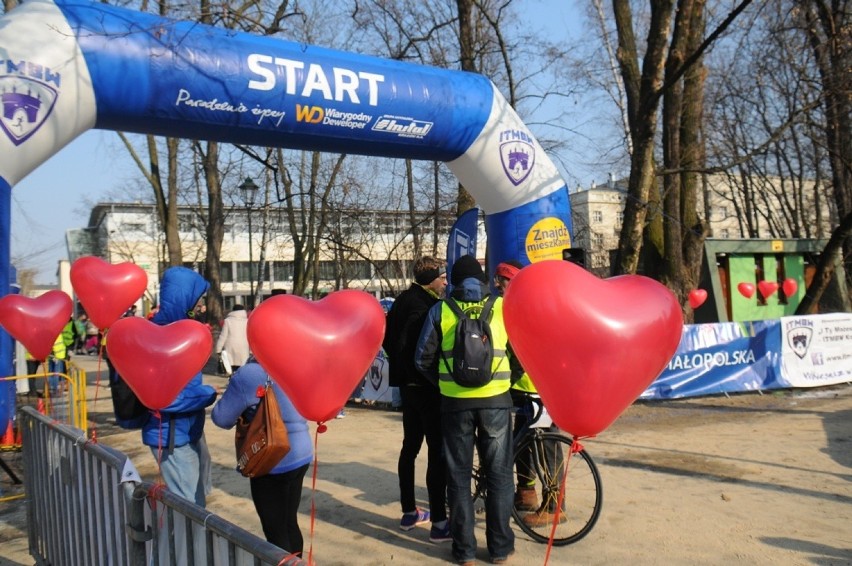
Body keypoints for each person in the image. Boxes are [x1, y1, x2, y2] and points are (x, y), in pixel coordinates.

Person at [415, 255, 514, 566]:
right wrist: (512, 378)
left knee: (457, 476)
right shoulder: (502, 308)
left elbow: (422, 359)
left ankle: (465, 552)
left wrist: (445, 382)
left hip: (454, 403)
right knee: (498, 475)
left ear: (455, 281)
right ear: (483, 279)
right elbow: (521, 350)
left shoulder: (440, 310)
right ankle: (499, 549)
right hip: (496, 399)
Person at [211, 358, 313, 555]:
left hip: (271, 457)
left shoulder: (250, 373)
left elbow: (221, 417)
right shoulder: (297, 365)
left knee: (276, 531)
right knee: (289, 521)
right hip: (301, 451)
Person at [493, 260, 565, 527]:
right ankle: (526, 493)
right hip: (522, 390)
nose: (497, 285)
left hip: (541, 391)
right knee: (521, 444)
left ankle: (555, 505)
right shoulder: (510, 307)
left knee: (547, 446)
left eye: (503, 280)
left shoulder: (533, 307)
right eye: (497, 279)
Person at [383, 256, 449, 541]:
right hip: (426, 386)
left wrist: (400, 368)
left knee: (409, 447)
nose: (445, 281)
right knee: (437, 451)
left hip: (407, 387)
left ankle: (409, 512)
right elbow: (428, 347)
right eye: (442, 277)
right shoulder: (428, 306)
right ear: (430, 279)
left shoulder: (400, 301)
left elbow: (386, 339)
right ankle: (439, 523)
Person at [142, 267, 217, 507]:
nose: (203, 307)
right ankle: (187, 546)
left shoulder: (184, 331)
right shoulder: (157, 335)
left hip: (186, 431)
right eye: (199, 300)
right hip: (172, 436)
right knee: (189, 508)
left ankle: (196, 544)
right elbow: (163, 397)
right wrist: (207, 394)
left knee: (197, 500)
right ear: (185, 298)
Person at [215, 304, 250, 375]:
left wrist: (218, 349)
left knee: (231, 365)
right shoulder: (247, 321)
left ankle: (232, 378)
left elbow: (223, 336)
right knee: (242, 364)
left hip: (230, 346)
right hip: (244, 346)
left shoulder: (228, 321)